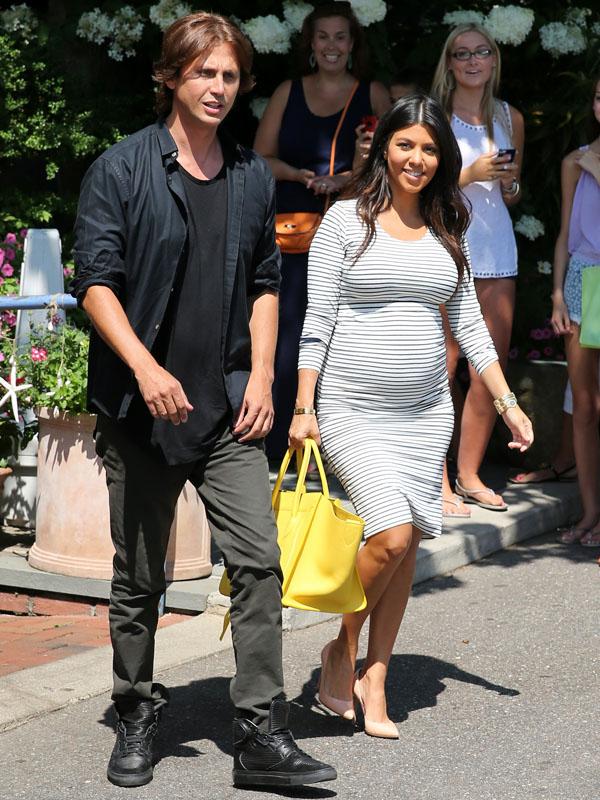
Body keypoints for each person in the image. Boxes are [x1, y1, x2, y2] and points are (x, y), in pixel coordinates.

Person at [71, 12, 336, 789]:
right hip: (143, 408)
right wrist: (146, 370)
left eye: (228, 76)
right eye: (203, 74)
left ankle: (260, 733)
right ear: (171, 78)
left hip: (226, 407)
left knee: (259, 561)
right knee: (140, 577)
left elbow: (263, 284)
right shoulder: (122, 169)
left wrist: (261, 379)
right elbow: (95, 282)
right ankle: (137, 710)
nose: (217, 88)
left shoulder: (254, 176)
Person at [288, 94, 533, 738]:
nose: (416, 158)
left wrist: (507, 403)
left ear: (441, 158)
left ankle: (377, 674)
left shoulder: (447, 226)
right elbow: (317, 320)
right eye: (405, 144)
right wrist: (304, 404)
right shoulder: (345, 222)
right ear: (384, 148)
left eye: (428, 148)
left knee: (408, 548)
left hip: (425, 414)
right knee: (389, 535)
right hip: (350, 408)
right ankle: (341, 648)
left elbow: (473, 330)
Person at [254, 1, 390, 463]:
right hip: (293, 233)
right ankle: (278, 445)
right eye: (323, 37)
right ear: (310, 43)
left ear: (353, 44)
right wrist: (299, 175)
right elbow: (261, 159)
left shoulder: (373, 95)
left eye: (341, 37)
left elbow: (397, 164)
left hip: (352, 231)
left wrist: (347, 176)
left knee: (345, 338)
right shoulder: (287, 91)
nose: (332, 45)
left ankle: (340, 449)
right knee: (289, 335)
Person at [431, 23, 524, 516]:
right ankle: (437, 479)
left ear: (493, 61)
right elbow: (424, 188)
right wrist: (470, 173)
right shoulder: (435, 119)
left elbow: (512, 193)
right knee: (441, 368)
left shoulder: (510, 116)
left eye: (481, 52)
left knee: (489, 371)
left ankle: (469, 475)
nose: (471, 61)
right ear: (449, 64)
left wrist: (508, 185)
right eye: (461, 53)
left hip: (497, 247)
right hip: (449, 246)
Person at [550, 74, 600, 547]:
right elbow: (565, 233)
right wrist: (558, 295)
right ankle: (590, 513)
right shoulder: (574, 162)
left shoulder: (589, 162)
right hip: (583, 280)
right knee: (584, 406)